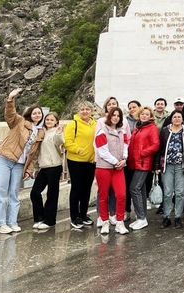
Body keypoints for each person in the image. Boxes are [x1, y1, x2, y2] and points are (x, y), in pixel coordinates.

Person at [0, 88, 45, 234]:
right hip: (5, 158)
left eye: (39, 113)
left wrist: (28, 169)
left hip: (20, 165)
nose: (37, 115)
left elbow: (34, 154)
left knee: (14, 193)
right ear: (30, 114)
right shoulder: (20, 122)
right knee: (1, 191)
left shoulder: (40, 132)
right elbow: (10, 114)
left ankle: (12, 222)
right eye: (35, 112)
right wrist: (10, 99)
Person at [94, 107, 130, 235]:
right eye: (113, 115)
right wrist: (116, 162)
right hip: (104, 167)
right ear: (109, 116)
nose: (115, 117)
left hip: (119, 168)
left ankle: (120, 222)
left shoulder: (122, 130)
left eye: (118, 115)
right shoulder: (101, 130)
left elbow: (126, 145)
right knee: (104, 196)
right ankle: (105, 221)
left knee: (121, 195)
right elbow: (102, 151)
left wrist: (124, 159)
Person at [64, 101, 97, 230]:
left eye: (87, 109)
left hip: (91, 161)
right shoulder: (73, 124)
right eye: (82, 109)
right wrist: (79, 150)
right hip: (76, 161)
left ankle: (83, 214)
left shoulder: (95, 124)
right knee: (76, 189)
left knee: (87, 189)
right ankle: (74, 216)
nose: (85, 111)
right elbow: (68, 142)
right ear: (78, 111)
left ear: (91, 111)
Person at [158, 109, 184, 229]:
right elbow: (160, 148)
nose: (177, 119)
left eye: (179, 117)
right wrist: (157, 166)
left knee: (180, 192)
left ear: (182, 119)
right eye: (175, 117)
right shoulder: (165, 131)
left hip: (181, 166)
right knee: (168, 192)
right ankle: (166, 217)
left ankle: (178, 217)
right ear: (171, 119)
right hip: (167, 165)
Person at [128, 106, 160, 230]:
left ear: (151, 116)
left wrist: (142, 153)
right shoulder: (139, 127)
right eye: (142, 114)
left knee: (134, 188)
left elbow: (155, 145)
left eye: (147, 114)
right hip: (136, 162)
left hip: (143, 162)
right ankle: (142, 217)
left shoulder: (152, 128)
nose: (144, 116)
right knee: (140, 189)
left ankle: (141, 217)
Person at [30, 112, 63, 230]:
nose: (49, 121)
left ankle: (50, 220)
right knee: (35, 193)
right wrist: (35, 167)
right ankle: (39, 218)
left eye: (52, 120)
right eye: (47, 119)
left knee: (52, 195)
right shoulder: (42, 133)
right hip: (43, 167)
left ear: (56, 122)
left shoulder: (57, 132)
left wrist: (59, 133)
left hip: (54, 166)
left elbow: (60, 142)